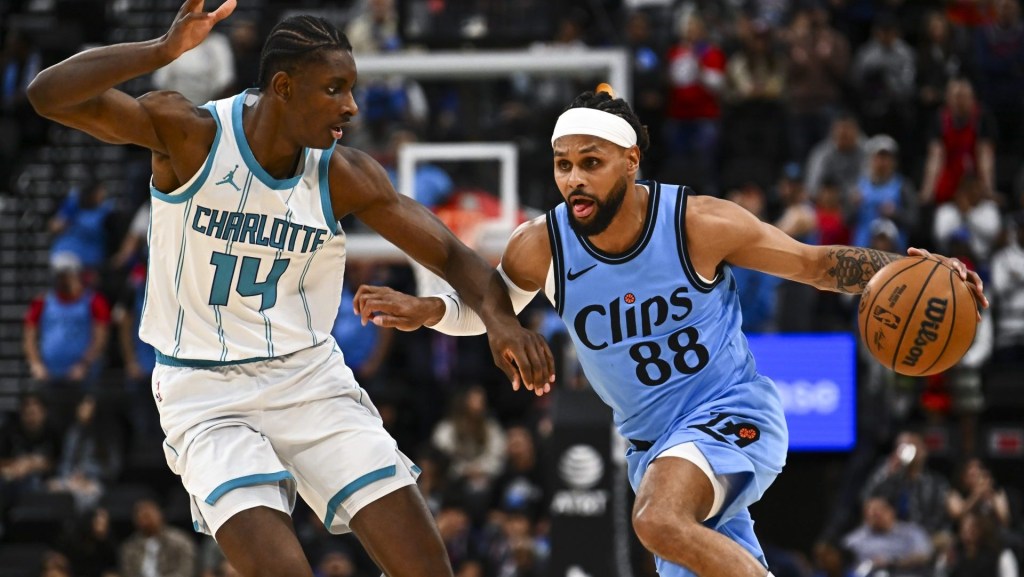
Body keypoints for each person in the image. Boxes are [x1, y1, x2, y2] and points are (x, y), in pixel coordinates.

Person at [353, 87, 988, 577]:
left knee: (657, 518)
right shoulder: (538, 246)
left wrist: (916, 269)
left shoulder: (698, 224)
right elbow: (496, 314)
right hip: (652, 449)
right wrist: (429, 311)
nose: (573, 178)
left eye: (590, 163)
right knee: (671, 521)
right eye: (563, 165)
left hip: (731, 413)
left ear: (630, 161)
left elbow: (816, 265)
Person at [27, 2, 554, 576]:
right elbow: (49, 95)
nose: (351, 107)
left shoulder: (341, 173)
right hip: (203, 390)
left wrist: (501, 320)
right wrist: (162, 50)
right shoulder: (191, 134)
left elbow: (451, 252)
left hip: (307, 377)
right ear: (283, 87)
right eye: (335, 89)